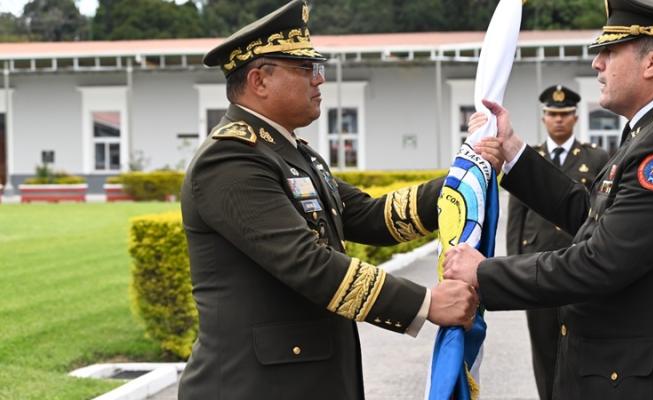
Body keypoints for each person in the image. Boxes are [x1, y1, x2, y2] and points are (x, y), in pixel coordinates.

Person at [178, 1, 478, 398]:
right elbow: (307, 263)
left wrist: (464, 178)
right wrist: (425, 302)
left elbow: (373, 217)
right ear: (259, 80)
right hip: (255, 387)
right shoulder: (231, 159)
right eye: (306, 69)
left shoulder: (293, 153)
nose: (319, 81)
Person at [446, 0, 653, 399]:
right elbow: (589, 215)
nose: (597, 63)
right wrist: (512, 150)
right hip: (624, 372)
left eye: (609, 51)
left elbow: (601, 262)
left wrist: (485, 274)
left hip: (639, 381)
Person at [505, 84, 608, 400]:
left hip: (580, 265)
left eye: (564, 114)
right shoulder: (530, 159)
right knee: (544, 346)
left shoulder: (596, 157)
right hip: (537, 269)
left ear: (575, 118)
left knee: (582, 343)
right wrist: (514, 268)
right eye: (552, 114)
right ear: (544, 118)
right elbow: (516, 219)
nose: (558, 120)